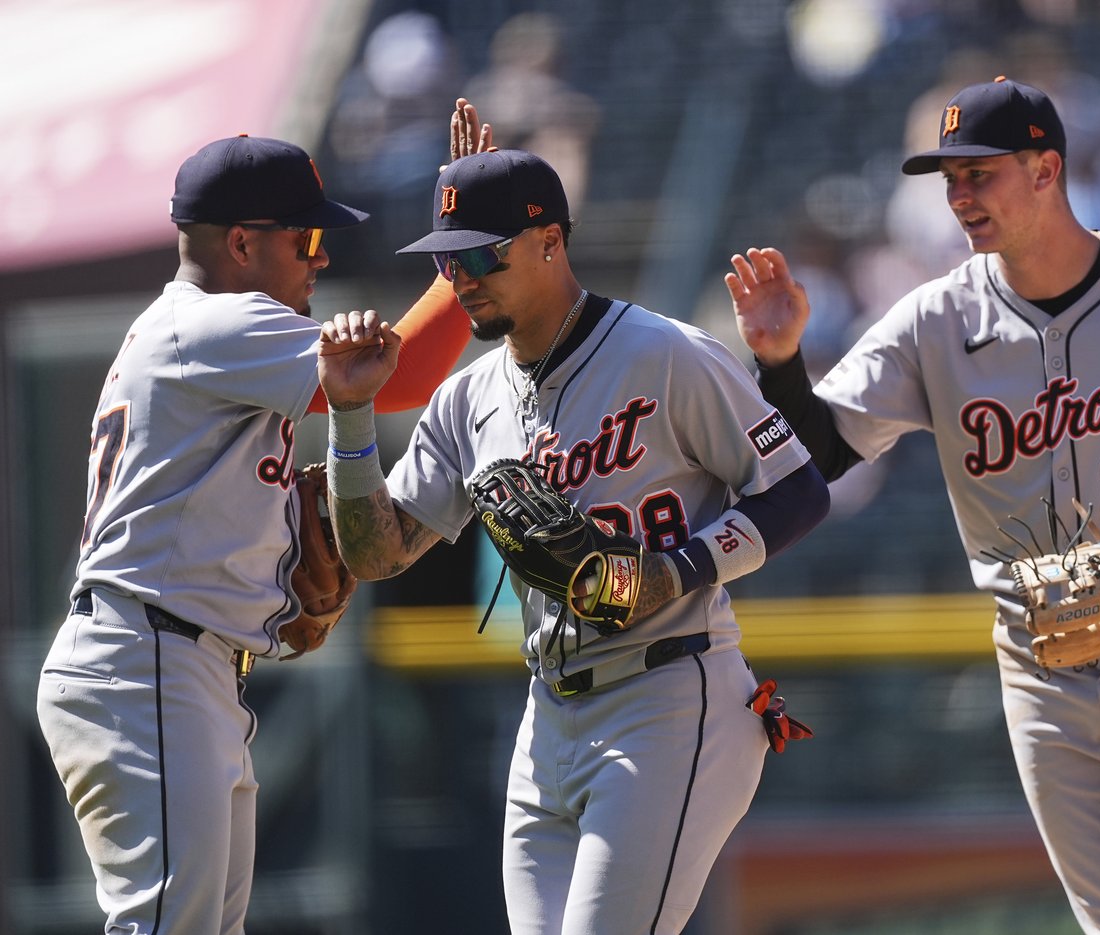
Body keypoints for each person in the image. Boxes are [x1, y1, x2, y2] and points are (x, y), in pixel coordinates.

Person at [727, 76, 1100, 934]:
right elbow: (823, 454)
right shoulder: (934, 320)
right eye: (950, 179)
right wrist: (780, 364)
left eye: (980, 173)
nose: (959, 197)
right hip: (1042, 659)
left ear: (1045, 169)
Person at [316, 144, 830, 934]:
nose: (462, 278)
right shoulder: (465, 400)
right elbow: (376, 554)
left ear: (550, 240)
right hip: (546, 715)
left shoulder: (663, 353)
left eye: (481, 256)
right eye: (447, 262)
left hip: (669, 694)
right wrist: (351, 416)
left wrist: (676, 569)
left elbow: (798, 489)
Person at [34, 107, 491, 933]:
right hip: (149, 661)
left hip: (173, 661)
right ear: (241, 243)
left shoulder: (199, 334)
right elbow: (400, 374)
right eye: (305, 239)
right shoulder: (213, 321)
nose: (322, 258)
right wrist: (466, 257)